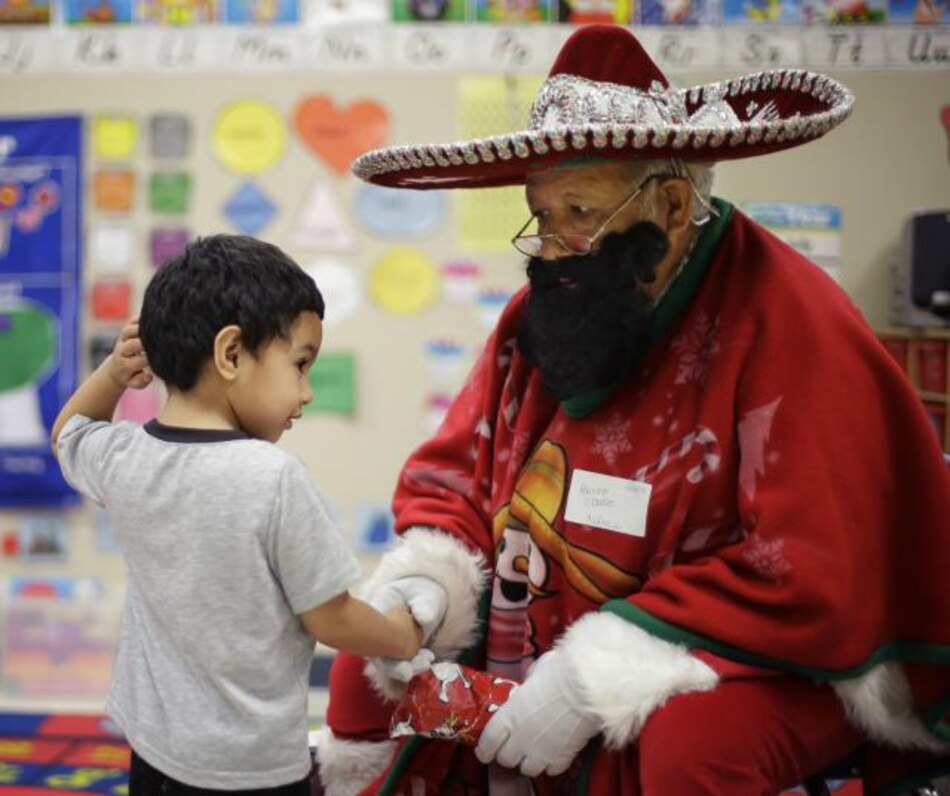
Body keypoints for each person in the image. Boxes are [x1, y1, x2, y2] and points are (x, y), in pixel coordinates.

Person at [313, 23, 950, 796]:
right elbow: (458, 476)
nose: (549, 247)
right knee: (362, 663)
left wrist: (592, 674)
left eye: (577, 211)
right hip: (541, 609)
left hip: (768, 651)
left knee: (695, 745)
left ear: (674, 204)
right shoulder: (544, 310)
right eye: (541, 215)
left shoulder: (790, 321)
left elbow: (813, 567)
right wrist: (430, 585)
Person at [50, 234, 444, 795]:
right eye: (300, 365)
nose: (306, 393)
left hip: (152, 752)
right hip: (249, 771)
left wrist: (115, 373)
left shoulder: (126, 455)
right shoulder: (272, 477)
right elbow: (331, 618)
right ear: (231, 354)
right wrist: (404, 635)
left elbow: (69, 433)